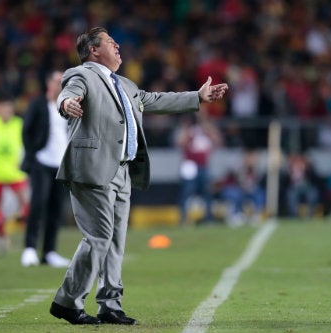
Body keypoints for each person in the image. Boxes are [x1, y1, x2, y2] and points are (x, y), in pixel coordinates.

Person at [48, 27, 228, 326]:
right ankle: (67, 301)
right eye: (110, 42)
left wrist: (198, 96)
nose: (118, 45)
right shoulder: (81, 74)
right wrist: (67, 104)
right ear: (93, 50)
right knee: (98, 237)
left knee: (115, 241)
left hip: (122, 171)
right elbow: (68, 93)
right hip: (92, 169)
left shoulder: (125, 85)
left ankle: (110, 304)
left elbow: (156, 100)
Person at [20, 70, 71, 268]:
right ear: (49, 83)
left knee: (56, 209)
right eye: (57, 80)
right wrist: (32, 155)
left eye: (63, 81)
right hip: (41, 162)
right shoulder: (38, 104)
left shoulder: (67, 107)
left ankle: (49, 252)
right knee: (38, 203)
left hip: (61, 164)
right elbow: (27, 131)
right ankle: (29, 249)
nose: (60, 84)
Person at [0, 98, 28, 249]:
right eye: (3, 109)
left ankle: (28, 237)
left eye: (9, 109)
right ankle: (1, 236)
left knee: (25, 204)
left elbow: (27, 142)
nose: (6, 112)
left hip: (15, 172)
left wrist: (23, 157)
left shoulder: (18, 123)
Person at [175, 110, 222, 226]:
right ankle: (183, 218)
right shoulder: (189, 130)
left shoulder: (206, 130)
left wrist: (204, 122)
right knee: (187, 192)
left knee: (207, 192)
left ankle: (208, 218)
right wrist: (187, 126)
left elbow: (218, 140)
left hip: (203, 165)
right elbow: (179, 143)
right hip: (190, 166)